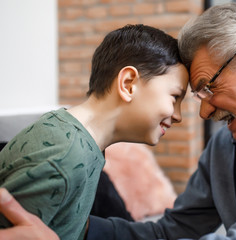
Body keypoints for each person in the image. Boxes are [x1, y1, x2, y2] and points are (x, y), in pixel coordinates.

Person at [2, 2, 236, 239]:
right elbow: (171, 231)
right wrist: (74, 230)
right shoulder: (226, 144)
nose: (203, 112)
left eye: (207, 88)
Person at [0, 24, 188, 240]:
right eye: (175, 97)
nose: (178, 115)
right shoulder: (64, 156)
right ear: (128, 84)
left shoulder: (84, 146)